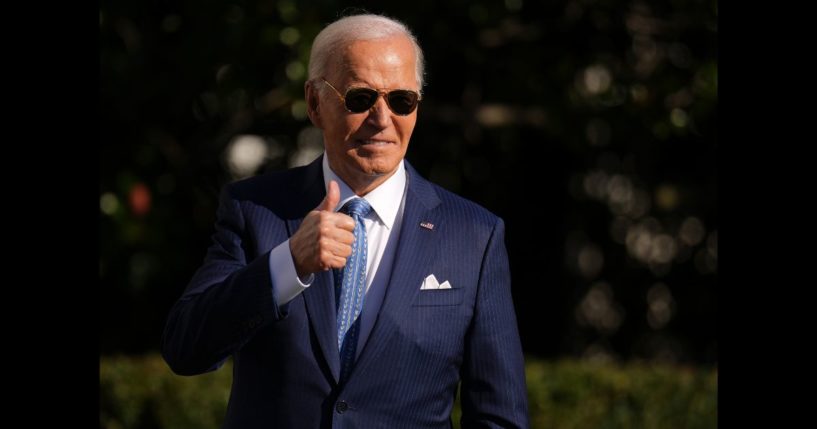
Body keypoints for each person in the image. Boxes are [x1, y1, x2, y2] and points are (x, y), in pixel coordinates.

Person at [162, 13, 528, 428]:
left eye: (401, 101)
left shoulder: (473, 235)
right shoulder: (255, 210)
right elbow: (185, 349)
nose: (382, 119)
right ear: (315, 103)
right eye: (359, 98)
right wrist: (288, 264)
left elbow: (500, 416)